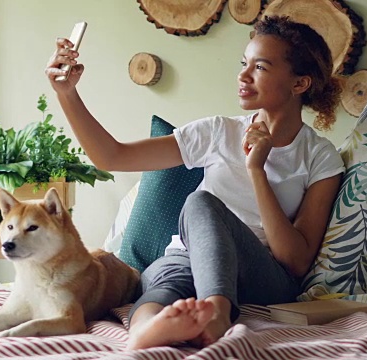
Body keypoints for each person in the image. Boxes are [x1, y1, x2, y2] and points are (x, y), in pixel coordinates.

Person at [45, 16, 345, 349]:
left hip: (261, 274)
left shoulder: (320, 157)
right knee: (162, 282)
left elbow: (295, 261)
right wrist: (67, 94)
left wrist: (256, 169)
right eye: (243, 63)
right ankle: (145, 329)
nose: (243, 76)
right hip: (190, 259)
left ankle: (216, 314)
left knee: (201, 202)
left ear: (299, 84)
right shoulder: (219, 132)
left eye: (259, 67)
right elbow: (113, 157)